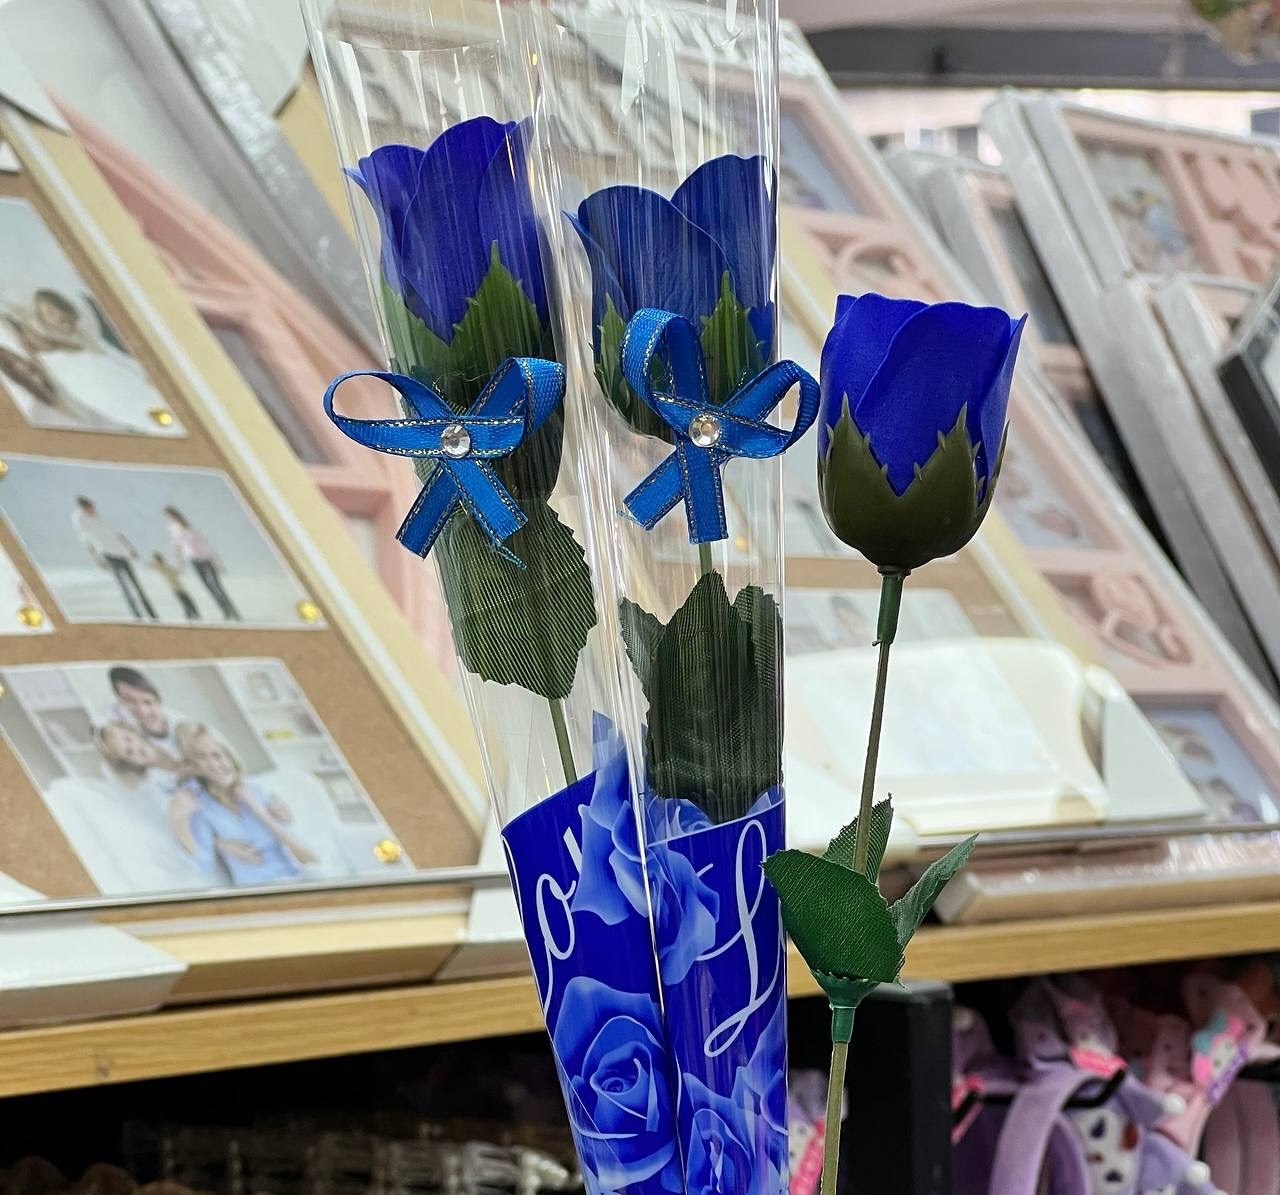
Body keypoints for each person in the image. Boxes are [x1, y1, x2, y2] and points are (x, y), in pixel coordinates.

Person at [174, 722, 316, 885]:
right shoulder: (201, 808)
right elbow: (204, 863)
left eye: (217, 755)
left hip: (295, 879)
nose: (214, 764)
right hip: (257, 889)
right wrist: (217, 844)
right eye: (202, 758)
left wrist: (258, 809)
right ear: (195, 768)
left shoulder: (256, 791)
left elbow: (311, 860)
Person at [72, 496, 157, 621]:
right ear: (84, 509)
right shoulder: (81, 520)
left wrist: (131, 549)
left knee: (136, 585)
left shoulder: (101, 519)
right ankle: (137, 616)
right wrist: (95, 559)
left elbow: (119, 534)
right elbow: (87, 541)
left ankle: (153, 615)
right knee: (124, 586)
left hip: (122, 553)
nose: (94, 510)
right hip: (108, 555)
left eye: (93, 507)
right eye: (90, 508)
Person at [164, 506, 240, 621]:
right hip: (193, 560)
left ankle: (234, 612)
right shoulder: (173, 529)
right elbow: (177, 547)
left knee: (218, 586)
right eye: (167, 516)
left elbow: (206, 544)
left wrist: (218, 562)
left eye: (170, 515)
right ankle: (226, 612)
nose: (169, 518)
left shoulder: (190, 526)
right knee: (209, 587)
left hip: (206, 558)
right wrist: (180, 565)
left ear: (175, 514)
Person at [108, 665, 189, 764]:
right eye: (129, 700)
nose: (142, 711)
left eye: (147, 702)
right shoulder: (120, 718)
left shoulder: (180, 724)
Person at [148, 551, 200, 620]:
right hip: (177, 587)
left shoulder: (163, 567)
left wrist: (179, 561)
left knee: (185, 600)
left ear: (158, 560)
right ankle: (192, 614)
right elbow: (151, 567)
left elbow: (177, 572)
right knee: (185, 600)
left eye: (155, 560)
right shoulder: (164, 566)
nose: (154, 562)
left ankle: (192, 614)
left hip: (177, 587)